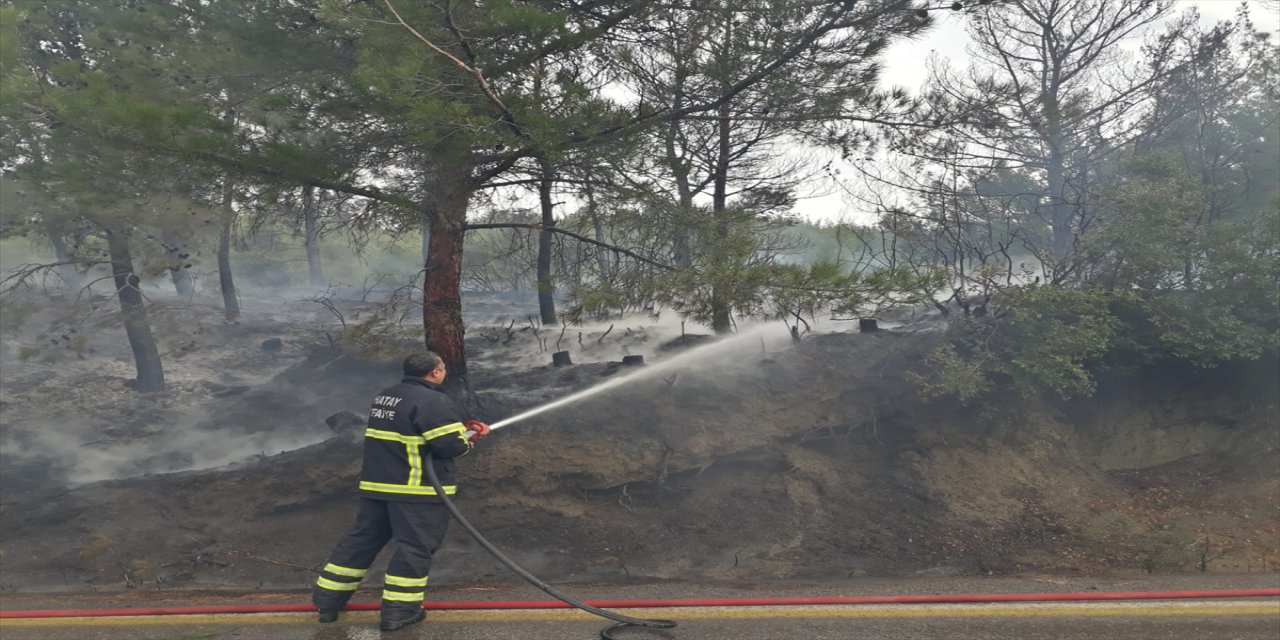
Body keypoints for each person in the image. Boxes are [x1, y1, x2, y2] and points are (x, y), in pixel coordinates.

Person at [312, 351, 490, 631]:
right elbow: (449, 446)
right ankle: (399, 611)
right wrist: (468, 438)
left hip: (378, 486)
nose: (443, 372)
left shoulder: (386, 396)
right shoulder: (433, 400)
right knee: (415, 549)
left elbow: (413, 433)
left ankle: (327, 602)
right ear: (435, 372)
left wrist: (459, 431)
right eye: (442, 368)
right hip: (415, 490)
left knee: (360, 543)